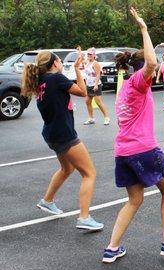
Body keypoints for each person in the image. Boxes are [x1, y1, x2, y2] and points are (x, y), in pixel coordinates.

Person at [102, 7, 164, 264]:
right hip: (143, 149)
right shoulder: (139, 84)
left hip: (124, 152)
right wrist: (144, 28)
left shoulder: (126, 89)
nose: (158, 69)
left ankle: (112, 247)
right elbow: (151, 63)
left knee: (135, 199)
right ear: (143, 70)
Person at [21, 51, 104, 231]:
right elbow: (83, 92)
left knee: (67, 168)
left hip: (51, 133)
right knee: (89, 173)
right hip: (63, 134)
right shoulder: (56, 79)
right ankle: (84, 217)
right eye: (59, 60)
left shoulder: (41, 80)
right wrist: (77, 69)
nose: (61, 63)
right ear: (55, 64)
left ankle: (47, 201)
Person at [83, 48, 110, 125]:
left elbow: (98, 74)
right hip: (88, 85)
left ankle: (106, 117)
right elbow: (86, 74)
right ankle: (91, 118)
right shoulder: (87, 62)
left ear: (94, 55)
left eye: (90, 54)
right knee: (87, 101)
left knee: (98, 102)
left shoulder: (95, 63)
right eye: (88, 54)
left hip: (95, 85)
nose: (89, 55)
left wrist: (95, 85)